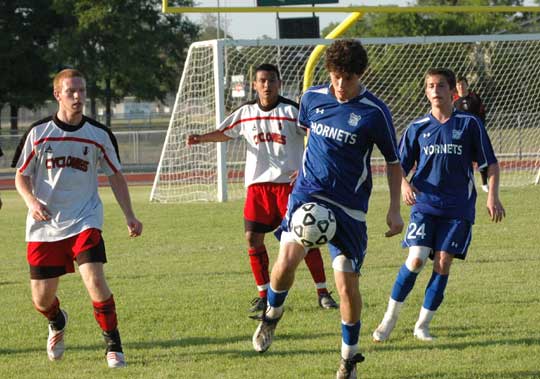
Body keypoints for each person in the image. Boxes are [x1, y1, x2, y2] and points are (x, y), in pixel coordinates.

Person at [251, 40, 404, 379]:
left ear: (359, 75)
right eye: (335, 76)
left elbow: (393, 162)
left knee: (347, 286)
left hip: (349, 210)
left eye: (346, 78)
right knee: (285, 263)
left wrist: (394, 209)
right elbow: (311, 139)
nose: (339, 85)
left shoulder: (374, 113)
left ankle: (348, 359)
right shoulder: (312, 99)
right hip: (309, 196)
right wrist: (304, 168)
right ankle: (272, 315)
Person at [12, 68, 143, 368]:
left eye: (82, 91)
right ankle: (57, 321)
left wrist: (129, 216)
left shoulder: (98, 134)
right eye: (71, 91)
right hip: (44, 226)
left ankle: (114, 346)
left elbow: (116, 176)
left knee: (95, 280)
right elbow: (21, 176)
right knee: (42, 300)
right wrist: (31, 201)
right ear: (57, 94)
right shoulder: (39, 133)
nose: (78, 96)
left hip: (85, 219)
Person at [187, 63, 338, 313]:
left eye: (271, 81)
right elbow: (227, 132)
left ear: (279, 83)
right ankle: (263, 293)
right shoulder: (246, 112)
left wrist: (307, 167)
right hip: (257, 189)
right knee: (252, 238)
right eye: (262, 81)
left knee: (305, 237)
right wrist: (202, 138)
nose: (267, 85)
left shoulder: (292, 110)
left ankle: (322, 292)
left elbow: (316, 134)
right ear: (254, 85)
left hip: (289, 188)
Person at [372, 68, 505, 344]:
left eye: (440, 86)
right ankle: (389, 320)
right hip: (425, 205)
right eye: (430, 86)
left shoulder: (469, 124)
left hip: (458, 207)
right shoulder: (417, 128)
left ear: (451, 91)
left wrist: (492, 196)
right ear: (426, 92)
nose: (435, 91)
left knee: (443, 263)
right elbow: (398, 166)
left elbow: (489, 164)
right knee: (417, 258)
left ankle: (422, 325)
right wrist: (406, 186)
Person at [454, 76, 489, 192]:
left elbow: (482, 113)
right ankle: (467, 182)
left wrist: (480, 128)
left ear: (467, 85)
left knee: (481, 156)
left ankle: (484, 184)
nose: (461, 86)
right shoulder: (452, 99)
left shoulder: (474, 97)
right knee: (462, 159)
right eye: (458, 84)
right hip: (459, 135)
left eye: (463, 84)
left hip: (474, 133)